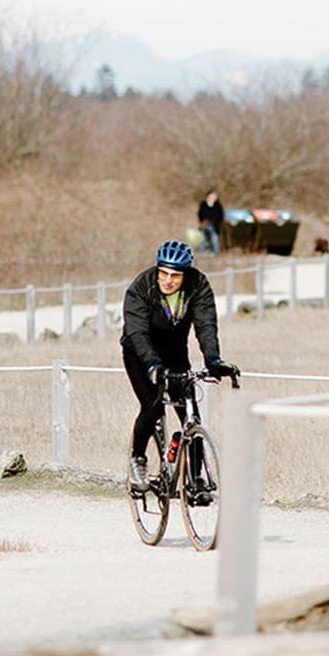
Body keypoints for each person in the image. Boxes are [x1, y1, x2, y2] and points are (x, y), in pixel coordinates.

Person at [121, 240, 238, 492]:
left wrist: (213, 359)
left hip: (175, 354)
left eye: (175, 275)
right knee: (151, 407)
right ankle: (137, 459)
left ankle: (195, 480)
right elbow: (137, 332)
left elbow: (206, 324)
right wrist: (152, 363)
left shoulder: (198, 285)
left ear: (186, 274)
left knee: (190, 414)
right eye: (163, 273)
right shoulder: (141, 287)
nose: (168, 280)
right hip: (139, 354)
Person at [196, 189, 224, 256]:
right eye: (212, 196)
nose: (213, 197)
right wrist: (203, 221)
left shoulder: (218, 205)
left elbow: (220, 215)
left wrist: (217, 223)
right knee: (203, 239)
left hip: (215, 225)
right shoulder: (203, 204)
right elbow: (200, 214)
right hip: (205, 224)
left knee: (215, 238)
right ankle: (204, 252)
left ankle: (215, 253)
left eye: (215, 196)